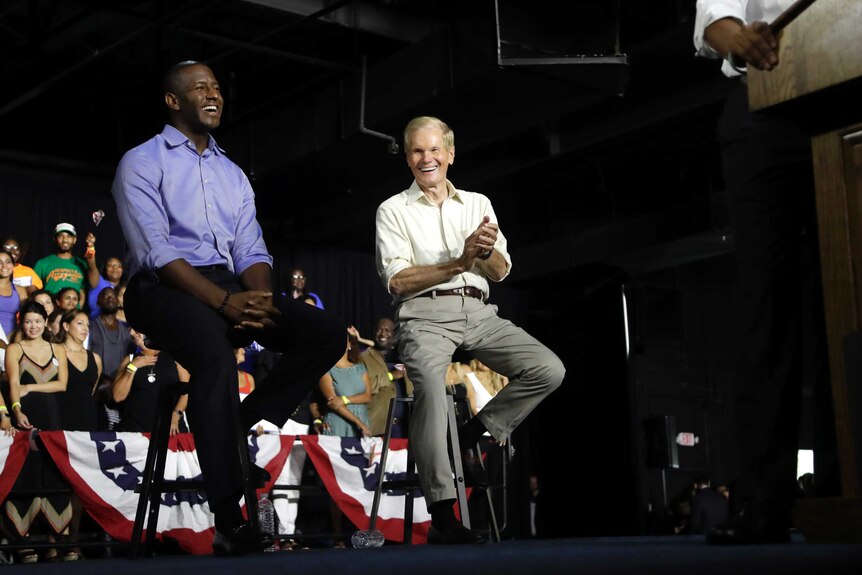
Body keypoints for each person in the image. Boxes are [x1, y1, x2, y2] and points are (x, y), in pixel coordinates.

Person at [110, 60, 345, 555]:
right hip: (159, 289)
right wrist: (225, 303)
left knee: (324, 333)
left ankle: (242, 421)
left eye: (216, 87)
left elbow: (252, 250)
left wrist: (256, 300)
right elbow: (157, 252)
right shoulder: (142, 161)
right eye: (199, 88)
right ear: (173, 101)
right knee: (215, 354)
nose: (213, 94)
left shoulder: (232, 173)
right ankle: (227, 513)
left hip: (228, 288)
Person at [374, 116, 566, 544]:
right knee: (429, 387)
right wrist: (458, 263)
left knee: (548, 369)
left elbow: (499, 271)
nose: (428, 158)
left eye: (435, 149)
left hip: (479, 312)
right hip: (423, 314)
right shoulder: (393, 210)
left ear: (450, 154)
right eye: (418, 151)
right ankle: (443, 513)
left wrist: (483, 253)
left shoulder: (478, 203)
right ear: (408, 158)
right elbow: (398, 281)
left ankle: (470, 435)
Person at [694, 1, 836, 544]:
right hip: (767, 108)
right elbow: (715, 20)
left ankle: (841, 489)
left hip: (845, 95)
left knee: (844, 307)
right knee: (765, 311)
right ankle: (762, 501)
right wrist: (742, 39)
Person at [3, 299, 70, 564]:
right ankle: (23, 541)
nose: (33, 326)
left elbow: (62, 384)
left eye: (38, 321)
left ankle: (57, 541)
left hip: (53, 418)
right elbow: (13, 384)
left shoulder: (58, 349)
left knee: (54, 472)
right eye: (29, 321)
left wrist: (32, 388)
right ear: (22, 322)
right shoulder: (14, 348)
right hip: (25, 418)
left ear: (46, 323)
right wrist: (17, 410)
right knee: (25, 473)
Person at [58, 309, 103, 561]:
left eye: (87, 324)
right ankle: (57, 539)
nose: (85, 328)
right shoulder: (55, 352)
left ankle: (74, 540)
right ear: (65, 326)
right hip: (61, 422)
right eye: (79, 323)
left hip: (87, 423)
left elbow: (92, 391)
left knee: (80, 484)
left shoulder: (94, 358)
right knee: (61, 482)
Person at [112, 329, 189, 435]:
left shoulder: (175, 357)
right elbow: (117, 396)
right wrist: (133, 367)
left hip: (171, 429)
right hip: (138, 432)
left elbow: (187, 391)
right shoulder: (129, 360)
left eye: (136, 329)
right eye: (131, 330)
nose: (132, 333)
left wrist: (176, 414)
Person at [356, 318, 413, 437]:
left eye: (387, 330)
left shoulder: (407, 357)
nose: (383, 334)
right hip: (378, 428)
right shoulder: (363, 357)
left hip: (407, 428)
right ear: (373, 332)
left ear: (395, 334)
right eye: (379, 330)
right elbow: (360, 388)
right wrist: (391, 376)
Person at [33, 223, 88, 303]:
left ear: (74, 239)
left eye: (68, 236)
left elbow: (82, 292)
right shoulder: (43, 263)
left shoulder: (82, 264)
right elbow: (34, 289)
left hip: (73, 312)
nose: (65, 240)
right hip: (51, 311)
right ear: (55, 239)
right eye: (60, 236)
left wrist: (77, 310)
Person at [83, 232, 125, 319]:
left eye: (118, 266)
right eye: (110, 265)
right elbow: (91, 265)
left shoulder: (125, 289)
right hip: (97, 327)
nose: (115, 268)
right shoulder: (98, 282)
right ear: (105, 269)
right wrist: (90, 247)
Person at [0, 250, 27, 339]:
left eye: (8, 262)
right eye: (0, 262)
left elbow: (26, 316)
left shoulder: (20, 290)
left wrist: (13, 337)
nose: (4, 266)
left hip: (13, 339)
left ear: (13, 265)